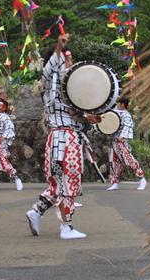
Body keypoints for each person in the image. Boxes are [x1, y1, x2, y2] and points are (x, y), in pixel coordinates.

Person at [26, 34, 100, 240]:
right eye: (68, 59)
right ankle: (67, 227)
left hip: (62, 138)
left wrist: (89, 117)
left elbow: (74, 113)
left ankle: (36, 212)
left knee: (59, 184)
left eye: (71, 59)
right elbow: (50, 70)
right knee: (71, 180)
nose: (71, 63)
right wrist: (59, 47)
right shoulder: (52, 83)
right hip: (65, 139)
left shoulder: (68, 93)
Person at [106, 97, 146, 191]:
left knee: (129, 160)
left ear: (123, 104)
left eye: (118, 103)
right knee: (114, 163)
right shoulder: (114, 112)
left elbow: (128, 126)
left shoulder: (126, 115)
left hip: (121, 142)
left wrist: (122, 136)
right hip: (113, 141)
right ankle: (114, 182)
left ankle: (142, 178)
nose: (117, 105)